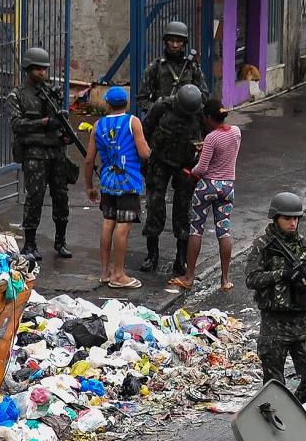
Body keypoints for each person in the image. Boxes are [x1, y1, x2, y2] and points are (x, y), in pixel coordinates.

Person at [245, 192, 306, 403]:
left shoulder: (303, 245)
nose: (293, 223)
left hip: (300, 322)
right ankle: (276, 423)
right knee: (274, 386)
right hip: (274, 324)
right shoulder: (263, 245)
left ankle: (295, 411)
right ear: (276, 218)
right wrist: (282, 274)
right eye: (287, 218)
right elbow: (251, 279)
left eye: (296, 218)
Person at [6, 47, 72, 261]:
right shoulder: (17, 95)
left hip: (56, 153)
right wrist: (43, 123)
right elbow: (16, 125)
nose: (42, 73)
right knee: (34, 199)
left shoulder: (52, 92)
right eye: (38, 69)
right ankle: (30, 244)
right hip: (34, 154)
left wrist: (64, 132)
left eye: (44, 69)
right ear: (28, 68)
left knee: (61, 198)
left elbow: (62, 121)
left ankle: (60, 241)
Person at [169, 99, 241, 291]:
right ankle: (225, 280)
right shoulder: (236, 132)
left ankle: (189, 277)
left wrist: (191, 172)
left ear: (209, 118)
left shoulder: (211, 138)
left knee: (196, 230)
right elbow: (225, 153)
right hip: (227, 187)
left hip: (207, 188)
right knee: (223, 231)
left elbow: (202, 168)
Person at [84, 86, 151, 289]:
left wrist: (89, 187)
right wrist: (149, 150)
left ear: (108, 104)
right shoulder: (133, 122)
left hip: (107, 182)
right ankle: (119, 274)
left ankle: (105, 273)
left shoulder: (98, 125)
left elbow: (88, 160)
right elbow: (143, 153)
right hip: (128, 183)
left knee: (108, 224)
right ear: (125, 104)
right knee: (123, 227)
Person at [140, 84, 203, 274]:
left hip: (185, 165)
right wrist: (146, 158)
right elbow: (145, 129)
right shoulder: (162, 107)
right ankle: (152, 255)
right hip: (159, 161)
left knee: (183, 211)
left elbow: (207, 137)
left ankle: (181, 258)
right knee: (155, 206)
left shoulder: (198, 112)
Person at [136, 21, 209, 115]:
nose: (175, 45)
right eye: (171, 41)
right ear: (166, 42)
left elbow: (204, 95)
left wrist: (190, 106)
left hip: (187, 120)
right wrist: (158, 108)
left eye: (179, 41)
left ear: (184, 43)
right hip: (162, 122)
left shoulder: (191, 66)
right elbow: (142, 100)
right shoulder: (155, 67)